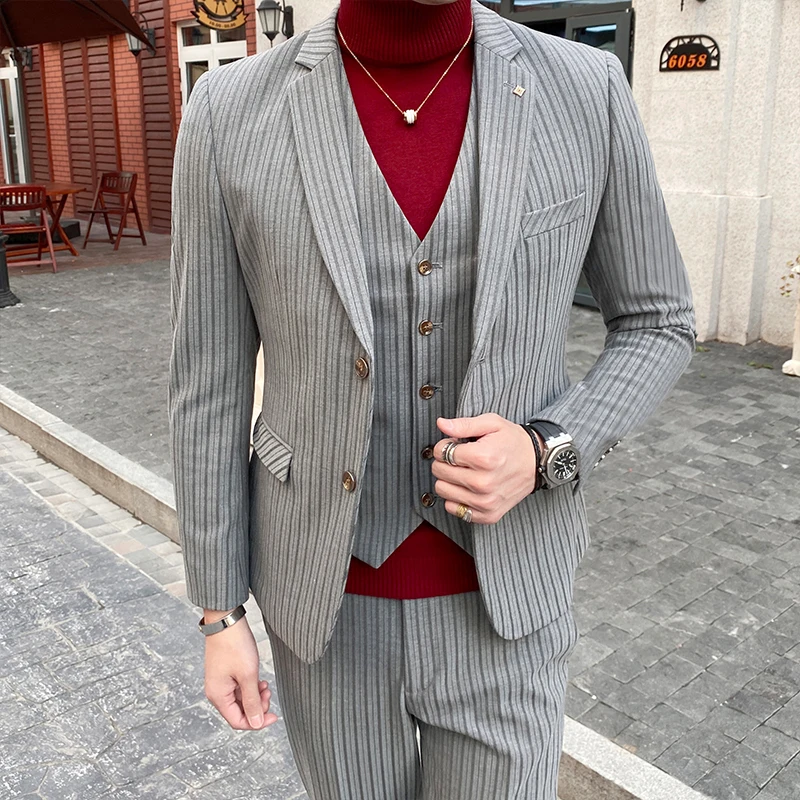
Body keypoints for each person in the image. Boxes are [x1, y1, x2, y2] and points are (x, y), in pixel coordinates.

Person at [168, 0, 695, 797]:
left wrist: (548, 446)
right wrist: (218, 611)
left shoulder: (585, 88)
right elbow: (207, 382)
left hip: (508, 603)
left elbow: (659, 320)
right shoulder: (228, 111)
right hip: (323, 610)